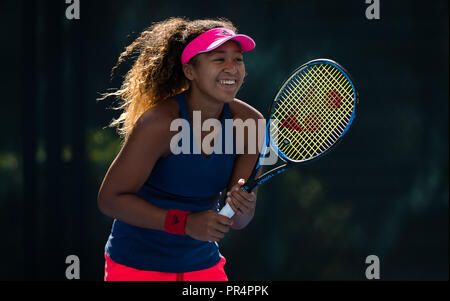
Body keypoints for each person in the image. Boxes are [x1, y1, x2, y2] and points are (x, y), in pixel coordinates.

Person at [97, 17, 264, 281]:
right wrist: (185, 223)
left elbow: (239, 221)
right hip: (136, 268)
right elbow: (110, 199)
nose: (232, 68)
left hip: (203, 267)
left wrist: (242, 206)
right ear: (190, 71)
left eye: (238, 59)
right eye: (219, 59)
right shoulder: (160, 123)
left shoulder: (251, 124)